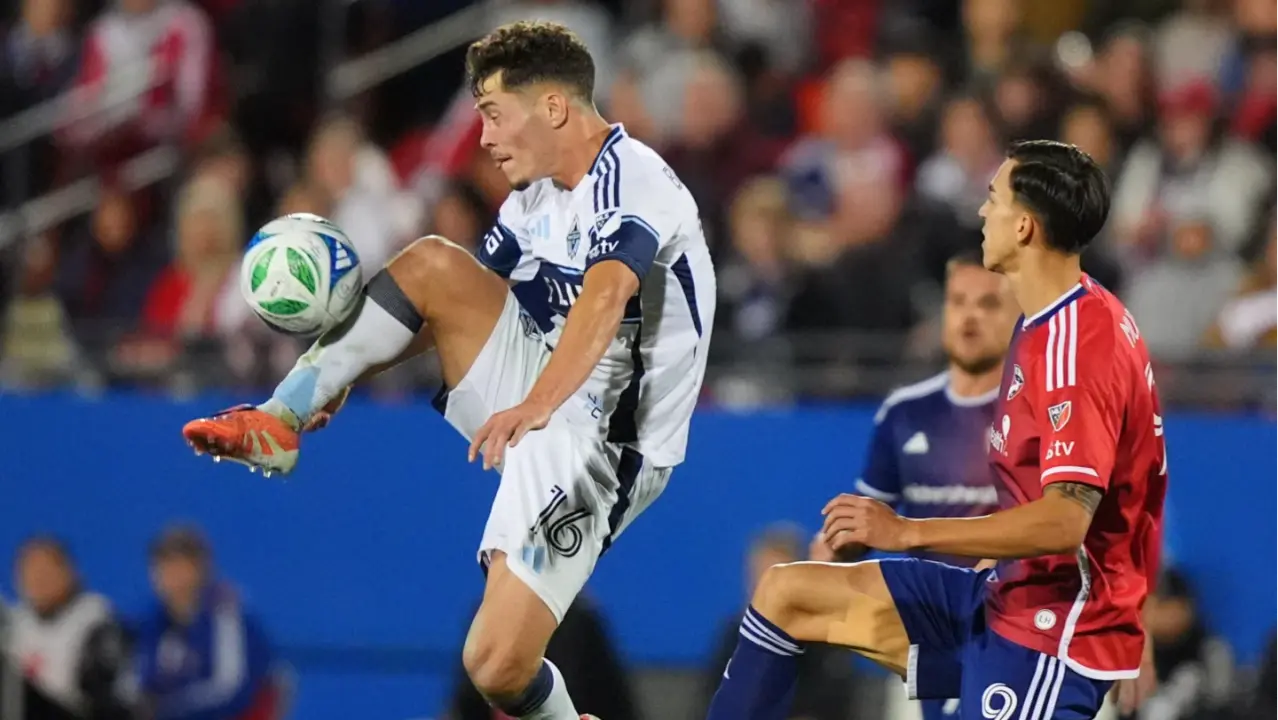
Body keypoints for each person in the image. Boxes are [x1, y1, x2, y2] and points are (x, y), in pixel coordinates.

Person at [181, 20, 715, 720]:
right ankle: (280, 416)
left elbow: (606, 295)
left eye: (493, 115)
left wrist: (538, 404)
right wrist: (346, 369)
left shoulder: (632, 176)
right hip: (548, 392)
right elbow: (441, 305)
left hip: (610, 439)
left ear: (554, 107)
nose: (485, 138)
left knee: (495, 664)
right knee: (435, 259)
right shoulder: (533, 201)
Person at [703, 140, 1166, 720]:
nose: (981, 212)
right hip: (1007, 595)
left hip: (1055, 633)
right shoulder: (1047, 320)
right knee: (787, 594)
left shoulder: (1077, 346)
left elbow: (1066, 520)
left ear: (1023, 226)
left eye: (992, 198)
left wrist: (907, 532)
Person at [839, 250, 1018, 720]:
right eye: (958, 302)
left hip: (1021, 638)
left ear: (1020, 315)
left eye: (988, 304)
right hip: (923, 640)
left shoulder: (1039, 413)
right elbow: (857, 525)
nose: (970, 317)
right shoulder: (904, 412)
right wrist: (816, 565)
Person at [131, 526, 278, 720]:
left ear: (200, 568)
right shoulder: (150, 622)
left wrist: (169, 708)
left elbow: (232, 690)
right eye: (163, 566)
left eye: (180, 566)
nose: (171, 577)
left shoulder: (228, 616)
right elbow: (140, 683)